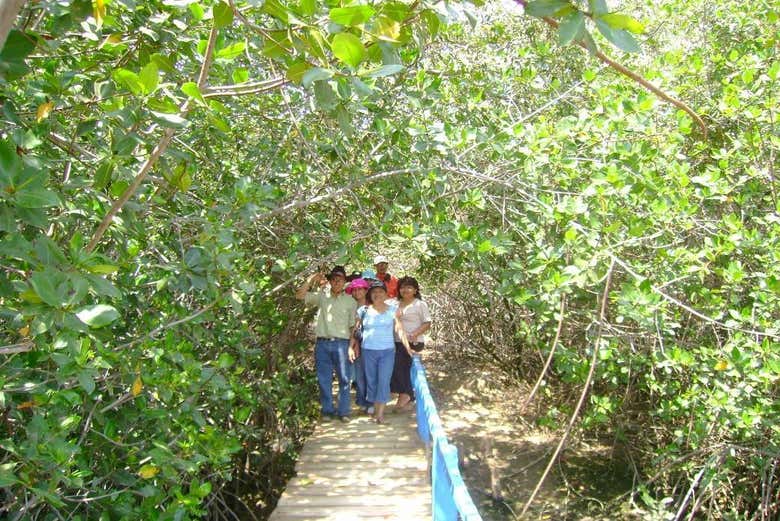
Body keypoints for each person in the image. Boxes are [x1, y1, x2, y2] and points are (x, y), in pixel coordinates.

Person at [295, 265, 357, 423]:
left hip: (342, 344)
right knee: (324, 379)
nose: (337, 282)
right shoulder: (322, 296)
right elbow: (299, 296)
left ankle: (343, 411)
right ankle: (327, 411)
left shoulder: (350, 301)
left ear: (344, 282)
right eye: (334, 279)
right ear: (330, 281)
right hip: (322, 343)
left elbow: (353, 326)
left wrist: (351, 346)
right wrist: (311, 279)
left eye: (340, 279)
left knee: (344, 378)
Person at [351, 280, 412, 424]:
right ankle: (374, 410)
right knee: (371, 381)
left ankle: (380, 414)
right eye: (374, 292)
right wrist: (351, 347)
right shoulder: (363, 311)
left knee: (384, 381)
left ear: (386, 294)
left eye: (380, 291)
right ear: (370, 294)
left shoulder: (392, 310)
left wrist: (408, 348)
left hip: (387, 351)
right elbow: (356, 330)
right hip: (368, 350)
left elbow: (399, 329)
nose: (377, 294)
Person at [390, 276, 431, 411]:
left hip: (414, 341)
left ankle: (406, 394)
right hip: (396, 341)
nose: (405, 290)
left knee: (398, 363)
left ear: (415, 290)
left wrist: (415, 334)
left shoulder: (419, 304)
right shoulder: (395, 303)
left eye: (409, 287)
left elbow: (427, 323)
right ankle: (404, 393)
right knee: (391, 364)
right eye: (402, 287)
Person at [345, 278, 372, 413]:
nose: (357, 292)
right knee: (359, 374)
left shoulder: (371, 306)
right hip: (352, 340)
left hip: (369, 343)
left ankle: (370, 401)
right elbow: (352, 328)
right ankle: (362, 400)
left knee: (369, 373)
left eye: (360, 289)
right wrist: (353, 344)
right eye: (354, 290)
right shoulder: (350, 305)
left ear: (366, 290)